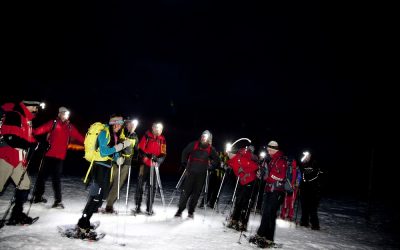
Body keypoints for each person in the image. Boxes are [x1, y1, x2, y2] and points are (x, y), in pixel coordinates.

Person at [77, 114, 132, 232]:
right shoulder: (104, 133)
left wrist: (117, 158)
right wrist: (121, 146)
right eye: (115, 123)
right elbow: (103, 152)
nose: (117, 126)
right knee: (96, 196)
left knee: (102, 197)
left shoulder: (115, 136)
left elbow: (113, 151)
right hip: (99, 168)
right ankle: (83, 222)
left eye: (120, 124)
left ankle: (86, 220)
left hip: (107, 168)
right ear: (111, 124)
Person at [32, 106, 85, 208]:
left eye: (67, 114)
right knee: (41, 176)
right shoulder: (53, 123)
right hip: (48, 155)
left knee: (56, 179)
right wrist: (31, 131)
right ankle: (38, 196)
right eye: (64, 114)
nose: (66, 116)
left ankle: (58, 201)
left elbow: (79, 136)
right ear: (60, 114)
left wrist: (89, 143)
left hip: (60, 157)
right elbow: (40, 130)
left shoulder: (69, 127)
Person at [0, 100, 40, 225]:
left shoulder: (26, 119)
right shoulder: (14, 115)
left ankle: (16, 214)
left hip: (17, 158)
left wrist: (38, 143)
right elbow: (9, 137)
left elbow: (26, 137)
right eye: (35, 107)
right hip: (6, 156)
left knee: (25, 184)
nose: (36, 110)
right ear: (28, 105)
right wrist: (29, 144)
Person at [249, 140, 287, 248]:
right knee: (265, 213)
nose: (268, 151)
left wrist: (267, 175)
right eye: (268, 150)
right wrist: (260, 173)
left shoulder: (281, 160)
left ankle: (268, 239)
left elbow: (281, 176)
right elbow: (266, 174)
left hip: (277, 191)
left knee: (270, 215)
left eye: (270, 150)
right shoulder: (270, 159)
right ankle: (261, 235)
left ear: (274, 149)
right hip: (269, 190)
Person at [174, 130, 220, 218]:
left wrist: (211, 167)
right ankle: (180, 210)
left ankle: (191, 211)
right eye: (203, 136)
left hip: (201, 174)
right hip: (190, 172)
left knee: (196, 193)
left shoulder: (210, 149)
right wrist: (183, 162)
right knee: (185, 192)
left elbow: (217, 160)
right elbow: (185, 152)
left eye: (206, 137)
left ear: (209, 138)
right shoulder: (194, 144)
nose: (203, 138)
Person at [103, 118, 139, 213]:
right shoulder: (120, 132)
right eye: (129, 124)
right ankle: (97, 201)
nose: (131, 126)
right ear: (126, 124)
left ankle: (109, 205)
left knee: (118, 184)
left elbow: (134, 148)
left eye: (133, 125)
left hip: (126, 163)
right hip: (116, 161)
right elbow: (116, 144)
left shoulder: (134, 135)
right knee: (108, 182)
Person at [134, 122, 166, 215]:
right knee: (140, 185)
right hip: (145, 165)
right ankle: (138, 206)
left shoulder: (162, 139)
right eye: (156, 128)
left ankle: (149, 207)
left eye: (159, 129)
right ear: (153, 128)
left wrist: (159, 160)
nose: (157, 130)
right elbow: (140, 149)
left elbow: (163, 153)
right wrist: (146, 156)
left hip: (155, 166)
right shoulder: (147, 135)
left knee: (153, 187)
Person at [225, 145, 259, 231]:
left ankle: (243, 223)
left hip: (250, 181)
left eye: (229, 153)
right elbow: (236, 169)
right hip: (241, 181)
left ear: (233, 153)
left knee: (245, 202)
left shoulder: (240, 158)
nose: (228, 154)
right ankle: (234, 220)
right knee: (238, 201)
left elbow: (255, 166)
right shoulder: (232, 161)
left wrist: (244, 170)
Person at [299, 151, 322, 230]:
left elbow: (316, 175)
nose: (306, 156)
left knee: (312, 208)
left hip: (313, 190)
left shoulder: (315, 163)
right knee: (304, 206)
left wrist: (308, 179)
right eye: (305, 155)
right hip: (304, 189)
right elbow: (302, 170)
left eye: (308, 155)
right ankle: (304, 222)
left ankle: (315, 225)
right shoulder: (304, 163)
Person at [280, 157, 301, 221]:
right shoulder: (287, 168)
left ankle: (289, 215)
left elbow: (299, 177)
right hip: (287, 187)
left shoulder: (297, 170)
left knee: (291, 202)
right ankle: (284, 214)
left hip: (293, 188)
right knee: (286, 202)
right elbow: (284, 176)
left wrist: (297, 183)